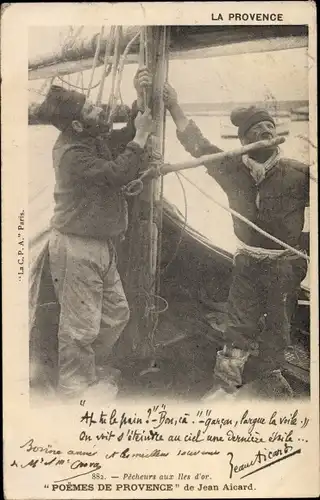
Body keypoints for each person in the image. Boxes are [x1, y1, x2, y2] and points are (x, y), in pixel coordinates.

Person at [163, 83, 310, 399]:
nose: (265, 132)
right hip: (247, 261)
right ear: (243, 141)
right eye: (257, 129)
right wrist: (174, 106)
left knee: (279, 327)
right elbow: (197, 144)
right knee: (238, 326)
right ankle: (226, 385)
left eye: (269, 127)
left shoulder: (299, 173)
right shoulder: (229, 167)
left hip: (286, 264)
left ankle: (270, 377)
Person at [34, 68, 154, 400]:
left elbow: (124, 137)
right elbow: (117, 172)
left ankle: (89, 370)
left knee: (116, 314)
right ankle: (74, 390)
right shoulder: (72, 154)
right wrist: (141, 140)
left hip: (100, 243)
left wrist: (140, 98)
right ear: (75, 125)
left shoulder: (91, 138)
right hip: (77, 247)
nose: (99, 111)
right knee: (80, 328)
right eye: (90, 110)